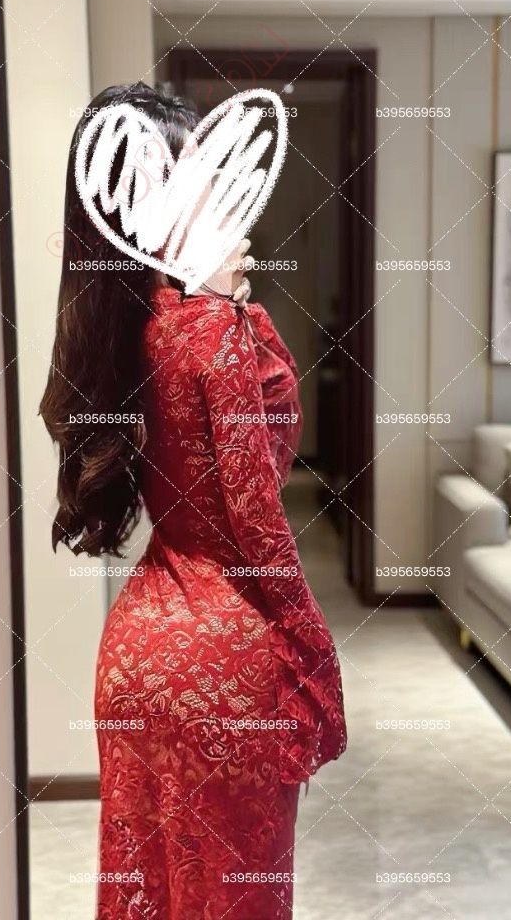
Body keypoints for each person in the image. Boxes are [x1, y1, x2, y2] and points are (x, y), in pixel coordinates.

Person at [40, 82, 346, 920]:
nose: (235, 215)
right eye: (208, 189)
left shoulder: (123, 324)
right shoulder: (212, 331)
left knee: (149, 893)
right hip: (225, 659)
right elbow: (257, 526)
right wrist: (315, 658)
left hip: (139, 656)